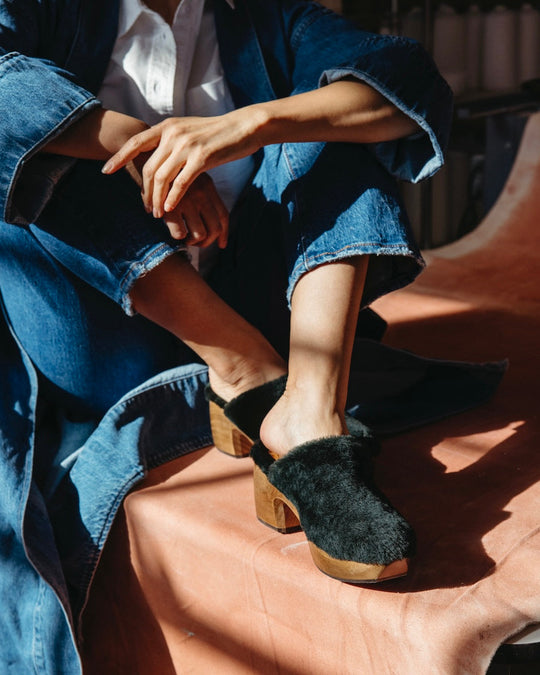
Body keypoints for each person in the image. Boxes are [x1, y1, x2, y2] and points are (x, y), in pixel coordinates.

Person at [0, 0, 477, 671]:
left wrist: (247, 125)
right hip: (102, 340)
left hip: (251, 292)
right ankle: (244, 368)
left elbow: (407, 78)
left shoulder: (260, 18)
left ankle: (309, 416)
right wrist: (132, 142)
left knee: (329, 118)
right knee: (43, 143)